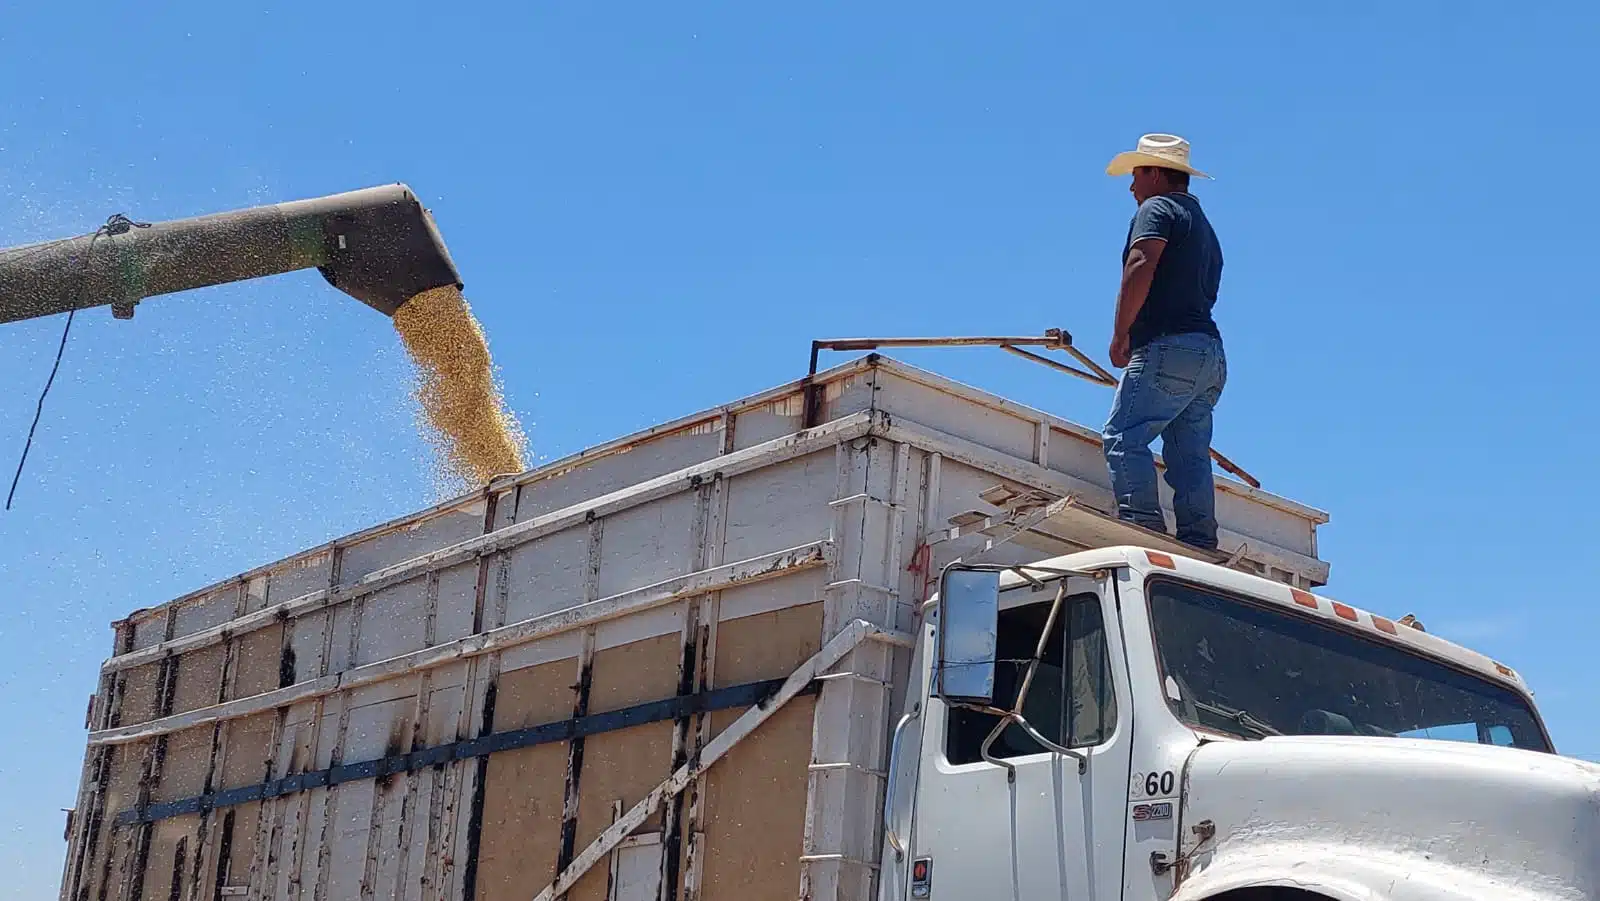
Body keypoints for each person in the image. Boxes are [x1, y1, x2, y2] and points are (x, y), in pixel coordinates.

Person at [1100, 134, 1227, 550]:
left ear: (1155, 173)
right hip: (1208, 354)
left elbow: (1141, 263)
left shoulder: (1157, 209)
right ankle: (1199, 540)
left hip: (1169, 348)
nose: (1132, 186)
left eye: (1137, 174)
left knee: (1124, 435)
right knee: (1189, 453)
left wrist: (1122, 333)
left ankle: (1143, 526)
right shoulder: (1204, 227)